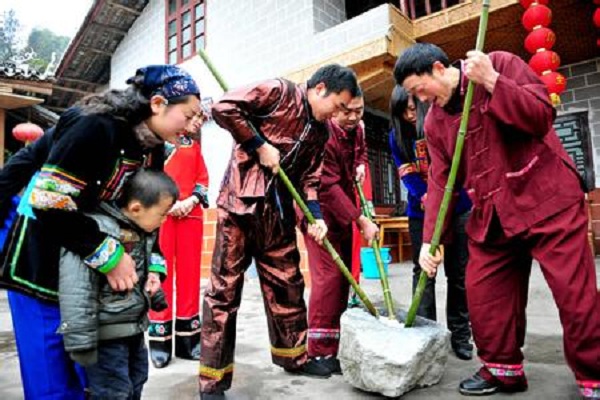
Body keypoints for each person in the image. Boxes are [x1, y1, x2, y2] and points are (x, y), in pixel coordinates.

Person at [394, 43, 600, 398]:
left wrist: (492, 81)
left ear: (439, 68)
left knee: (575, 293)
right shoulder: (435, 122)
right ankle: (502, 368)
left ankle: (594, 373)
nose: (422, 100)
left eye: (419, 90)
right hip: (493, 214)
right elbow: (442, 182)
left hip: (545, 199)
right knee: (483, 291)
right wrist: (432, 240)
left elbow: (540, 116)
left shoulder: (498, 64)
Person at [0, 64, 201, 399]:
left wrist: (153, 265)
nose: (195, 125)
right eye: (190, 114)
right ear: (157, 104)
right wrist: (110, 257)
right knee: (51, 374)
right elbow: (49, 202)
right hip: (43, 256)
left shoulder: (150, 147)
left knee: (94, 370)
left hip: (90, 266)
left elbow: (143, 214)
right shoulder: (93, 126)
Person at [199, 64, 361, 399]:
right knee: (224, 294)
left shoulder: (321, 132)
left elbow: (310, 180)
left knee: (288, 286)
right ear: (320, 90)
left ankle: (295, 357)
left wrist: (315, 216)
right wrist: (259, 145)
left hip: (280, 215)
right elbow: (224, 107)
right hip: (241, 206)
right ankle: (213, 381)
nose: (339, 113)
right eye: (338, 105)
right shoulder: (278, 91)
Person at [59, 170, 177, 399]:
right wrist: (80, 342)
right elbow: (76, 289)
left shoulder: (142, 230)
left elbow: (142, 275)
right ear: (135, 208)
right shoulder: (97, 232)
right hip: (106, 336)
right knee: (113, 392)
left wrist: (155, 286)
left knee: (138, 379)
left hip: (134, 328)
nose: (165, 220)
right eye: (162, 214)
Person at [388, 85, 473, 360]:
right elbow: (406, 173)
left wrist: (444, 198)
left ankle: (460, 335)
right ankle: (426, 334)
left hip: (458, 207)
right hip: (421, 209)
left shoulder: (439, 125)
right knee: (423, 271)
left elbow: (455, 167)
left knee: (458, 273)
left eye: (413, 109)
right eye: (403, 113)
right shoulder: (395, 137)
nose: (410, 116)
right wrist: (427, 196)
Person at [300, 90, 379, 374]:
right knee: (328, 278)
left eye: (359, 110)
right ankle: (318, 350)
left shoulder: (356, 128)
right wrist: (361, 220)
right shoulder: (324, 134)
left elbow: (362, 154)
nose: (354, 117)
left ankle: (334, 341)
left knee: (344, 275)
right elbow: (328, 186)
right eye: (348, 111)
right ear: (335, 109)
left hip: (344, 208)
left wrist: (360, 164)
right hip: (318, 211)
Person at [149, 112, 210, 368]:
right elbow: (146, 180)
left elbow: (202, 180)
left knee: (189, 276)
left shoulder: (193, 147)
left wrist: (191, 201)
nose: (198, 121)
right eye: (193, 115)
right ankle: (159, 342)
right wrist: (168, 204)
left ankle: (188, 342)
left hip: (190, 216)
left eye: (200, 116)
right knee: (161, 275)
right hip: (161, 217)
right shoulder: (154, 144)